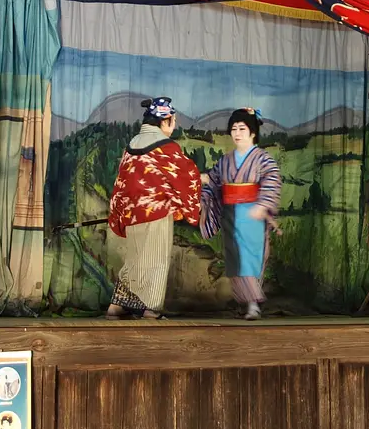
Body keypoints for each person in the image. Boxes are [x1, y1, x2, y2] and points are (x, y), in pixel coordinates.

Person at [106, 97, 202, 320]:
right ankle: (152, 308)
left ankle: (117, 306)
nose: (174, 125)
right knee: (156, 259)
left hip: (132, 213)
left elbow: (122, 182)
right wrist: (202, 181)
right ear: (165, 121)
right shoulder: (166, 147)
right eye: (173, 120)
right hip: (155, 211)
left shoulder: (133, 144)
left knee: (135, 257)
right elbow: (187, 175)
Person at [200, 107, 281, 320]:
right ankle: (247, 303)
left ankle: (253, 304)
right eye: (234, 128)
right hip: (230, 214)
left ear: (253, 132)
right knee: (235, 258)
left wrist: (263, 205)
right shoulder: (225, 160)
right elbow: (215, 181)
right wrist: (206, 182)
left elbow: (271, 181)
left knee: (250, 258)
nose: (237, 133)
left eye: (242, 128)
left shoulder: (263, 159)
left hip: (252, 213)